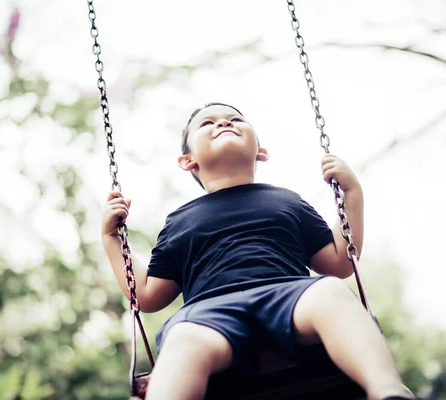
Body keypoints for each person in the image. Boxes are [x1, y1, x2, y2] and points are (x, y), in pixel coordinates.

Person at [101, 103, 415, 400]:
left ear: (260, 152)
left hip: (291, 297)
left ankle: (386, 389)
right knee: (183, 340)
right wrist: (112, 239)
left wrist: (351, 194)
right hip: (210, 311)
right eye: (207, 123)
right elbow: (146, 295)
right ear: (187, 160)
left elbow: (338, 263)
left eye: (235, 120)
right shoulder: (179, 221)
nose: (223, 123)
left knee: (331, 292)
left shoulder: (286, 201)